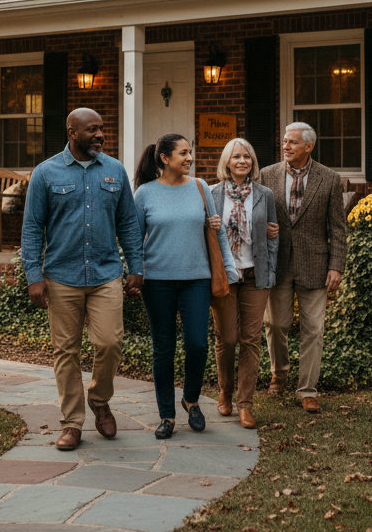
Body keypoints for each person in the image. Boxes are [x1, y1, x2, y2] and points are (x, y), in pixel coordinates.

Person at [21, 107, 144, 451]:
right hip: (62, 275)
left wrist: (136, 267)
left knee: (109, 342)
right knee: (66, 352)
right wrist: (34, 275)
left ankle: (100, 400)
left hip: (105, 273)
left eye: (102, 129)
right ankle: (72, 423)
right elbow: (32, 228)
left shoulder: (115, 170)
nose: (100, 135)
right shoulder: (46, 173)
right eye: (92, 130)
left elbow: (129, 224)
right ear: (72, 133)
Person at [134, 133, 239, 439]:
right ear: (164, 158)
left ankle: (191, 400)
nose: (189, 158)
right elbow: (134, 239)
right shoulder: (144, 194)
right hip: (157, 282)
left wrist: (229, 269)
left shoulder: (200, 187)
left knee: (197, 344)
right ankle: (166, 415)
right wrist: (133, 272)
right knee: (163, 349)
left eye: (189, 152)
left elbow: (215, 231)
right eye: (183, 153)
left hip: (197, 278)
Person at [259, 123, 346, 414]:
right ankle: (279, 372)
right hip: (278, 262)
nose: (286, 147)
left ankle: (308, 390)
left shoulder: (330, 179)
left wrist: (336, 266)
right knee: (276, 324)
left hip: (316, 265)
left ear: (308, 147)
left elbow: (337, 227)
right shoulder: (267, 175)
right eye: (285, 141)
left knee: (313, 330)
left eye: (293, 142)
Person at [209, 137, 279, 429]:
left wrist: (270, 270)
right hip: (225, 274)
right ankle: (224, 391)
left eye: (247, 157)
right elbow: (202, 235)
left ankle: (245, 404)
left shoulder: (265, 194)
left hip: (254, 275)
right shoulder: (211, 194)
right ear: (226, 162)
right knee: (226, 339)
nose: (242, 161)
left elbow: (274, 237)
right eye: (236, 156)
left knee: (251, 340)